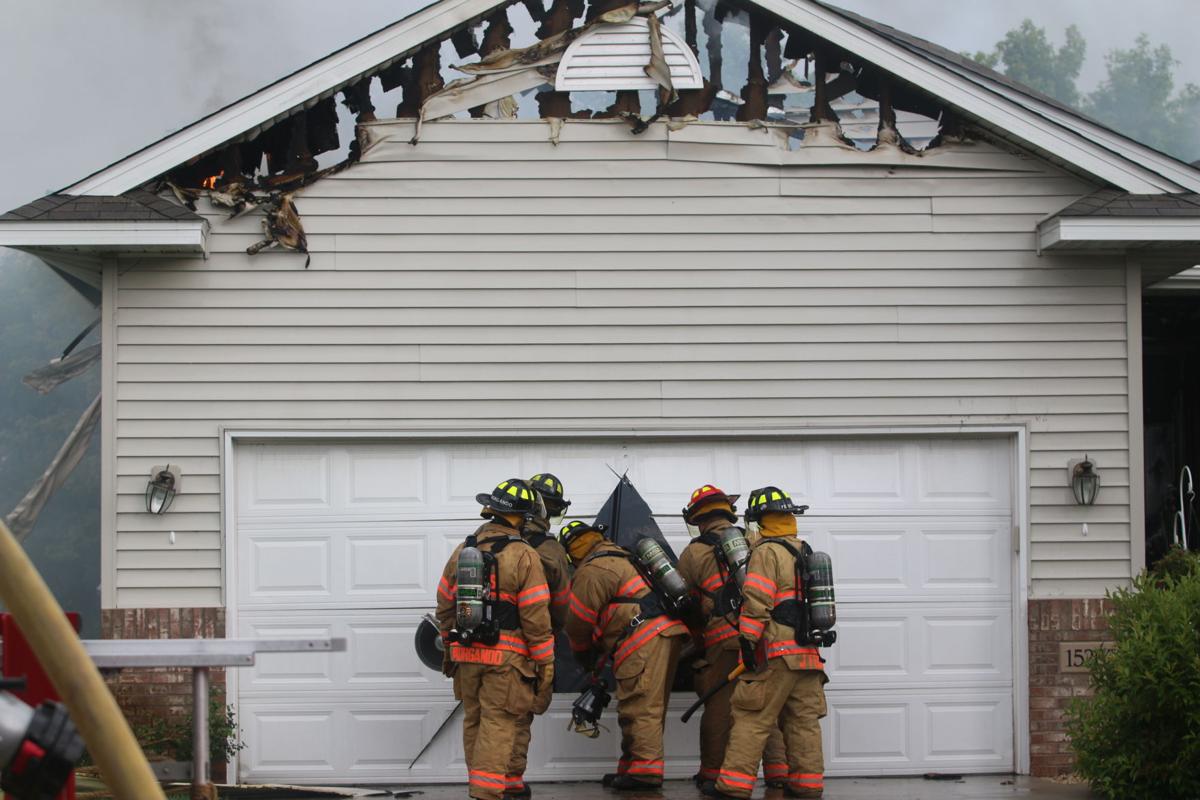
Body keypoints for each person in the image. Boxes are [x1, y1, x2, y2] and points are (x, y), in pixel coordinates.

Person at [435, 479, 555, 800]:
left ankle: (495, 785)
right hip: (506, 660)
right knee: (500, 723)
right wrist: (545, 663)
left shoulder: (464, 551)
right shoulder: (524, 555)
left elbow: (445, 605)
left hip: (467, 655)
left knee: (474, 720)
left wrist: (450, 648)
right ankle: (486, 793)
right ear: (522, 517)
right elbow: (536, 618)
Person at [704, 486, 827, 800]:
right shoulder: (804, 549)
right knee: (803, 722)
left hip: (777, 650)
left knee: (751, 716)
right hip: (807, 655)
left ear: (759, 519)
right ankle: (807, 784)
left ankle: (732, 786)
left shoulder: (766, 552)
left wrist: (747, 640)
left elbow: (757, 600)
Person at [560, 519, 688, 792]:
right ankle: (631, 766)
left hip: (644, 638)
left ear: (572, 552)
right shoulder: (625, 557)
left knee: (640, 705)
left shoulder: (593, 569)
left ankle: (644, 773)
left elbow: (577, 623)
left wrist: (583, 657)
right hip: (666, 634)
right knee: (646, 703)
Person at [677, 485, 790, 790]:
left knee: (720, 707)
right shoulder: (755, 541)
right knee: (765, 704)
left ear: (698, 519)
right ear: (729, 512)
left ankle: (712, 773)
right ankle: (779, 771)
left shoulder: (693, 552)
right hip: (765, 636)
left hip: (724, 640)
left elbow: (684, 602)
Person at [503, 473, 574, 799]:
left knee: (486, 715)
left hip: (485, 646)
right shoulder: (550, 550)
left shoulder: (496, 543)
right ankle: (511, 781)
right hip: (531, 644)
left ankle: (489, 778)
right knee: (519, 713)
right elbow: (562, 605)